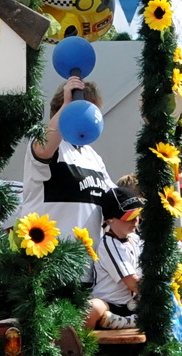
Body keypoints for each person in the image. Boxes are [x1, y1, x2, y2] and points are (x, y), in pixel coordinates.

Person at [17, 76, 113, 241]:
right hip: (49, 256)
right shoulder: (47, 143)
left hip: (87, 261)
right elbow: (43, 147)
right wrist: (68, 106)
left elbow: (113, 197)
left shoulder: (93, 156)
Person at [89, 189, 144, 329]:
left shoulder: (135, 239)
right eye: (128, 217)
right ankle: (84, 347)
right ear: (110, 219)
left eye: (137, 214)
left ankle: (128, 321)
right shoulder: (109, 243)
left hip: (134, 304)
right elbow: (133, 283)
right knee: (92, 308)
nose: (135, 221)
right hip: (110, 305)